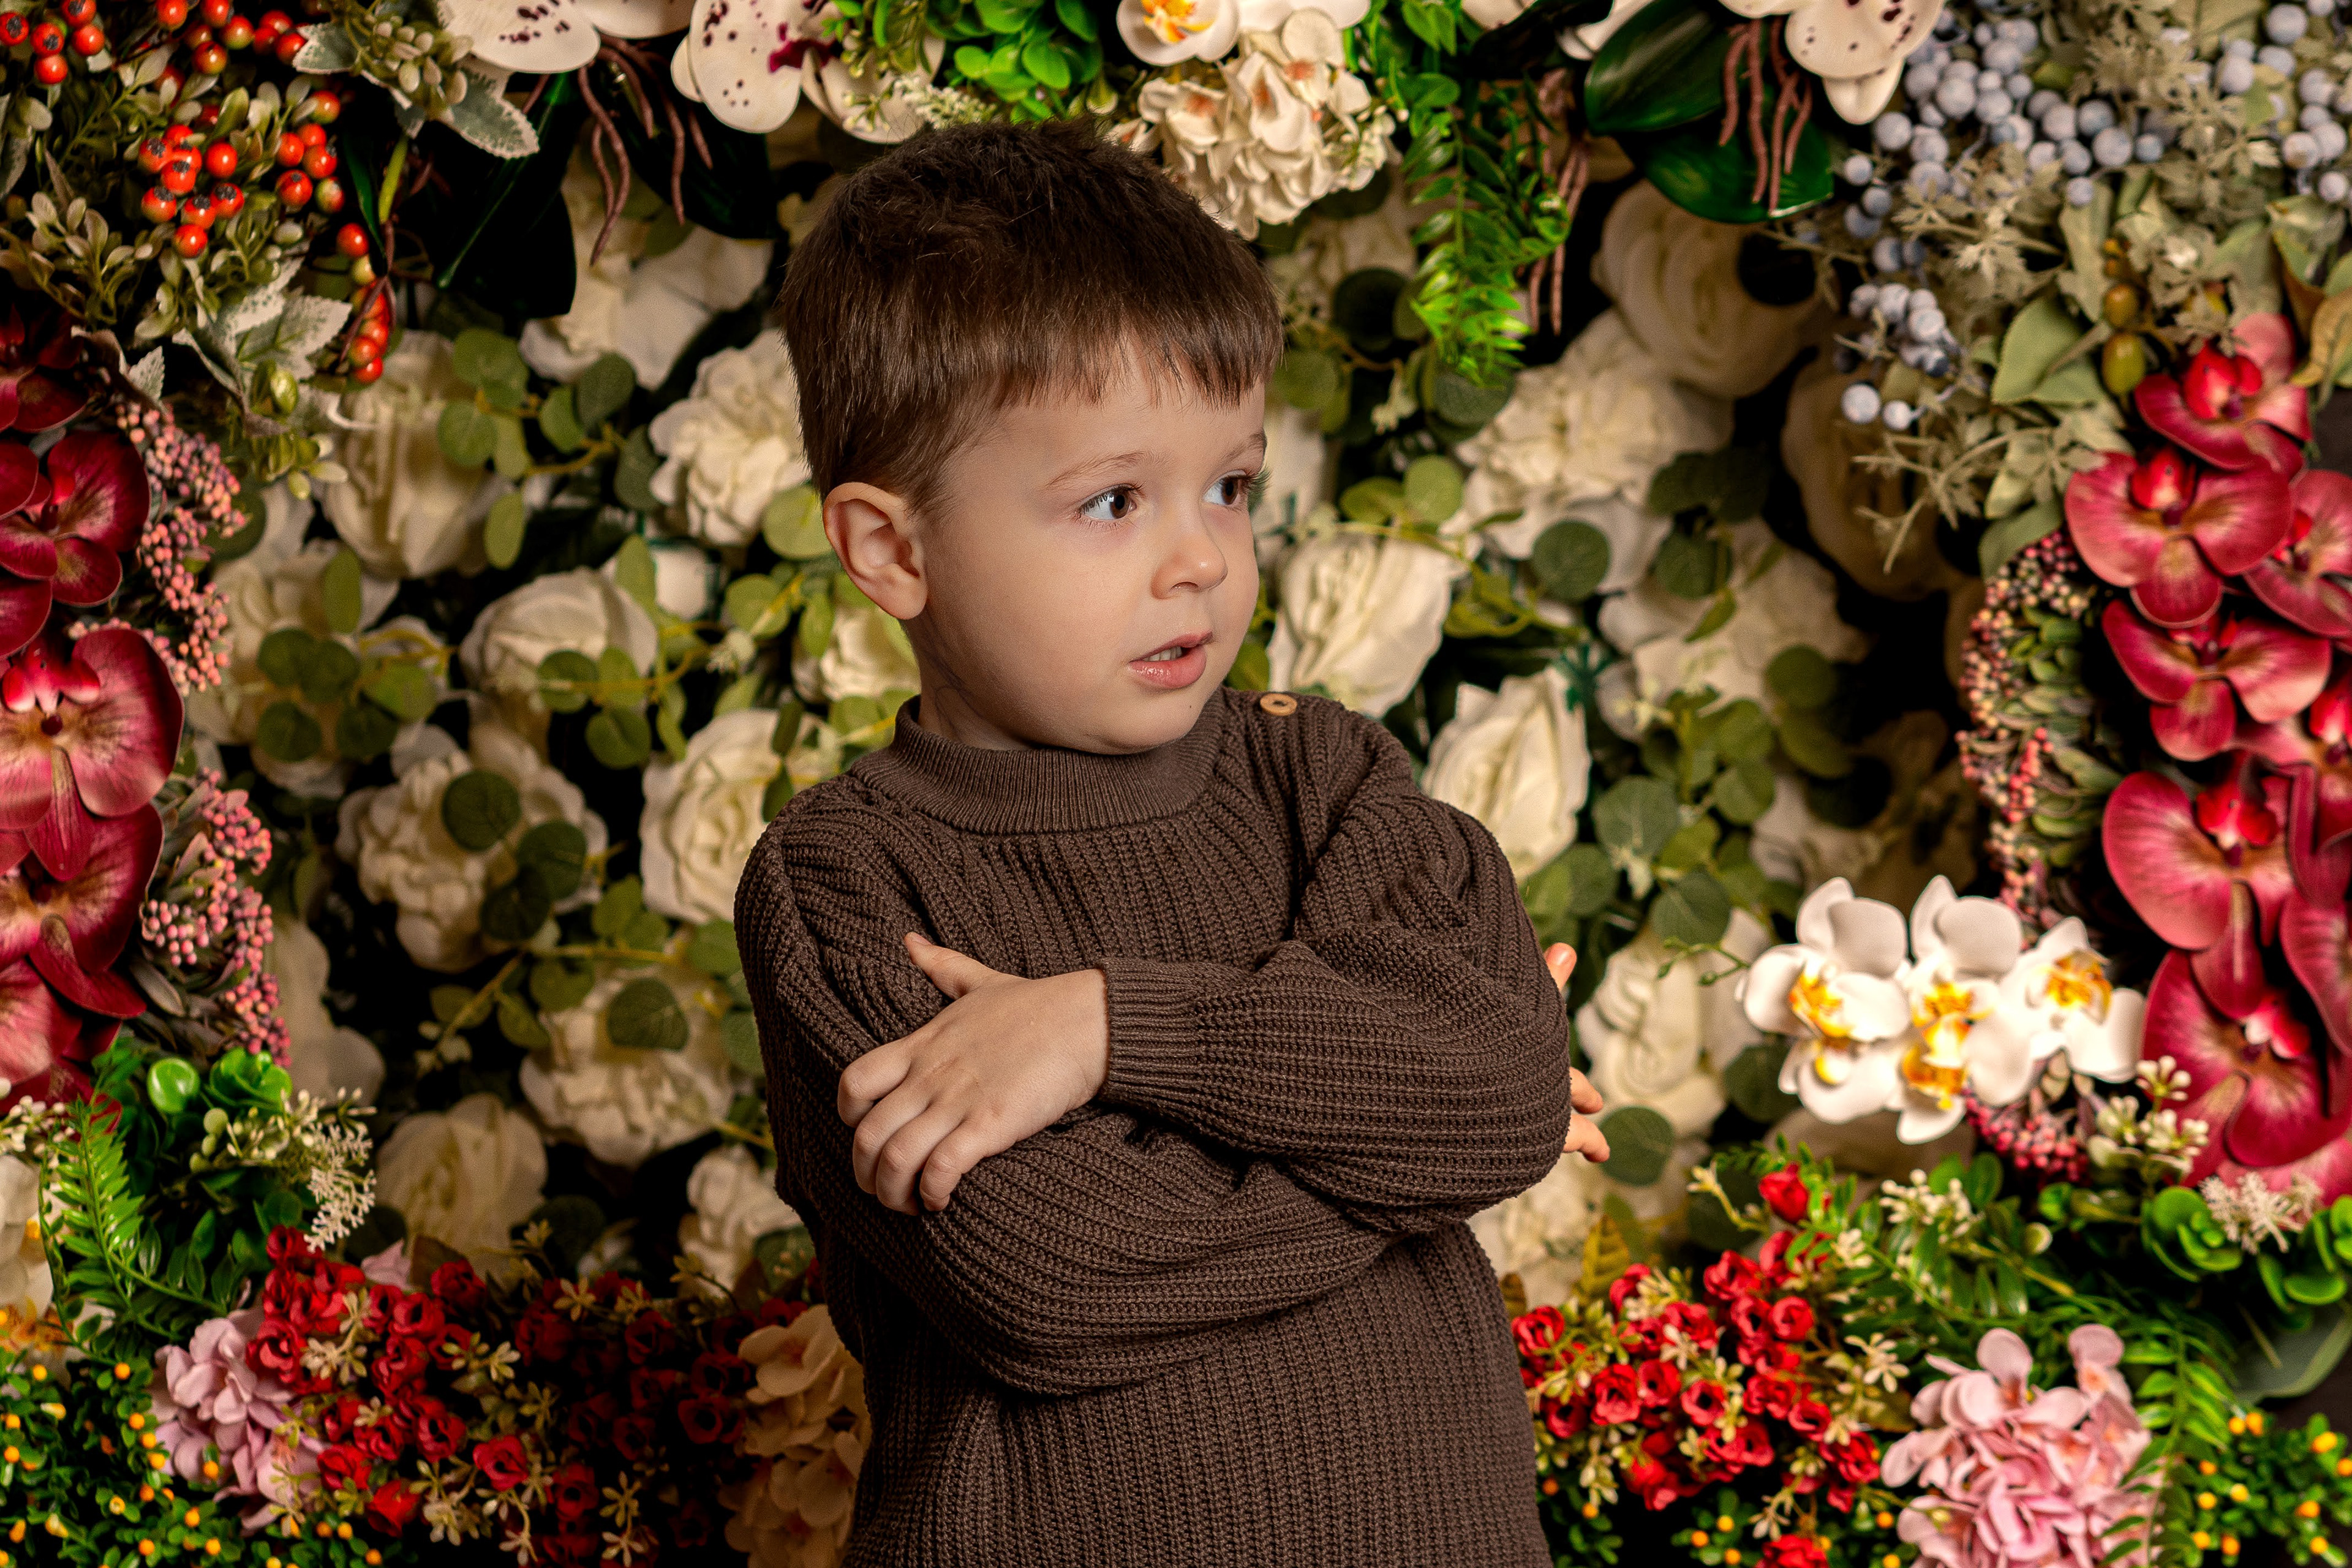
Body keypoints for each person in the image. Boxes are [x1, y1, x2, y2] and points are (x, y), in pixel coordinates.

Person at [734, 115, 1612, 1568]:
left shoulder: (1324, 773)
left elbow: (1499, 1083)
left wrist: (1105, 1031)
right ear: (894, 548)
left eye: (1232, 485)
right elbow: (1049, 1280)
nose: (1200, 556)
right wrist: (1421, 1146)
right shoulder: (847, 879)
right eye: (1113, 500)